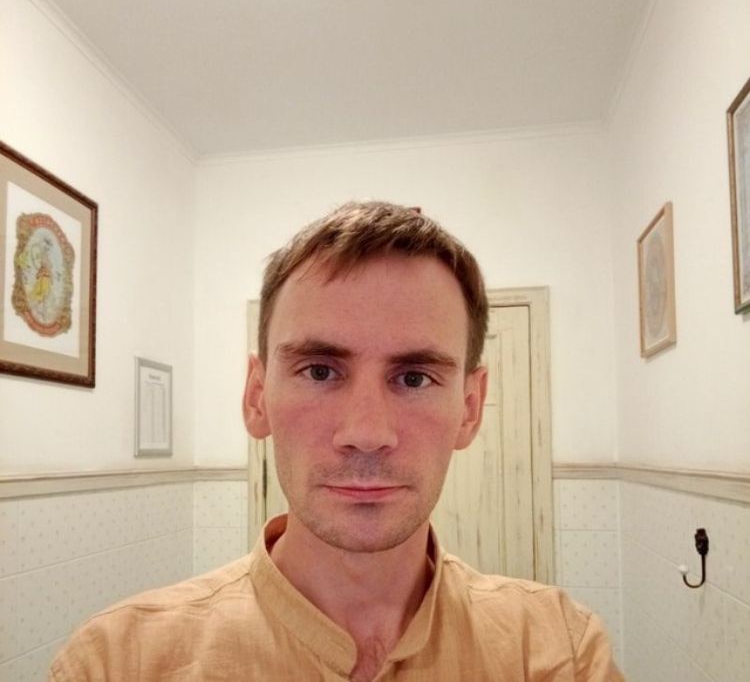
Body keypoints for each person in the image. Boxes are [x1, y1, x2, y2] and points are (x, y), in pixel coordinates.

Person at [50, 201, 623, 681]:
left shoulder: (558, 653)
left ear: (470, 409)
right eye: (320, 371)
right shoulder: (119, 663)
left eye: (414, 378)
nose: (366, 435)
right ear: (256, 396)